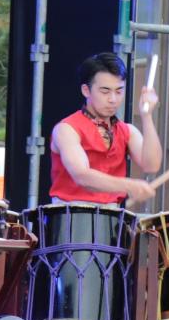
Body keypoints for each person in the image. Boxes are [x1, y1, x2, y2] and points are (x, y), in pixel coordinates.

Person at [49, 52, 162, 206]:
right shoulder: (66, 129)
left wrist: (147, 116)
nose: (113, 99)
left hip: (111, 216)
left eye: (119, 91)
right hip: (70, 214)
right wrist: (129, 185)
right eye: (105, 91)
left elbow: (151, 165)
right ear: (86, 90)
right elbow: (82, 176)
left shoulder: (127, 130)